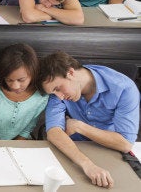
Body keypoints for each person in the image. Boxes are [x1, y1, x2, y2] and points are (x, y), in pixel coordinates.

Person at [36, 51, 139, 188]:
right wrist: (87, 165)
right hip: (72, 149)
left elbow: (125, 143)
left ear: (71, 73)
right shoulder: (59, 91)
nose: (59, 96)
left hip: (109, 150)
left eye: (58, 88)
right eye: (54, 93)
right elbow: (54, 131)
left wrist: (80, 127)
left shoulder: (124, 88)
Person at [0, 43, 48, 140]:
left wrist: (15, 144)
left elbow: (29, 127)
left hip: (17, 145)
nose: (15, 86)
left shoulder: (42, 93)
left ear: (33, 73)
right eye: (9, 80)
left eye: (21, 80)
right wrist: (0, 147)